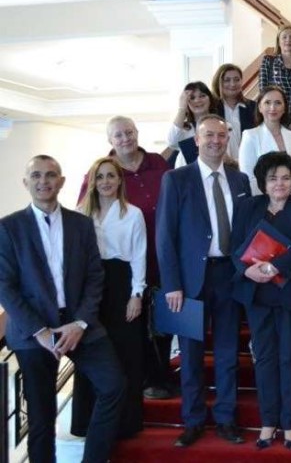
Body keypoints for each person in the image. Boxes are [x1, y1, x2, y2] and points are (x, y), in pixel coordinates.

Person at [0, 155, 125, 463]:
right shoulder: (8, 228)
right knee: (41, 416)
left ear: (62, 181)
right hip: (33, 331)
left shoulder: (80, 223)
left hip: (78, 323)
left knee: (114, 386)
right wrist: (40, 331)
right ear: (26, 182)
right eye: (36, 175)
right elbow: (5, 286)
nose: (44, 181)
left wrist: (80, 323)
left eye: (50, 175)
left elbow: (95, 276)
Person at [156, 114, 251, 447]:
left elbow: (245, 231)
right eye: (208, 135)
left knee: (227, 353)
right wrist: (171, 284)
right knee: (190, 356)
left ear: (227, 140)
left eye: (221, 136)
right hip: (187, 281)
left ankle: (226, 419)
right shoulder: (175, 179)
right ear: (196, 140)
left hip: (229, 276)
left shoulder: (240, 180)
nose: (215, 141)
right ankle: (193, 420)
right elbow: (165, 236)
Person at [77, 116, 173, 399]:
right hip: (117, 269)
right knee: (129, 329)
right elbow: (81, 222)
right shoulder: (102, 171)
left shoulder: (158, 163)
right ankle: (134, 381)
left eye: (129, 132)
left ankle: (159, 377)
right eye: (118, 135)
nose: (125, 139)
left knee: (161, 325)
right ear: (110, 140)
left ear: (137, 133)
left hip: (160, 259)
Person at [231, 152, 291, 450]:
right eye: (272, 178)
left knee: (290, 358)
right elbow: (235, 246)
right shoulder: (248, 207)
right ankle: (268, 421)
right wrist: (247, 270)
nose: (279, 183)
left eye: (285, 178)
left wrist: (273, 267)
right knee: (265, 358)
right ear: (263, 182)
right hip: (258, 295)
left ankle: (290, 423)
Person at [71, 157, 146, 440]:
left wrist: (136, 294)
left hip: (121, 286)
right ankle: (86, 422)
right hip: (89, 289)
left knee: (124, 353)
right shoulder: (80, 214)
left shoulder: (133, 214)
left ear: (119, 180)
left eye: (111, 176)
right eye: (100, 176)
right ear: (92, 182)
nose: (105, 182)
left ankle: (125, 424)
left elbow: (139, 255)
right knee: (90, 355)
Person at [240, 85, 291, 197]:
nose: (273, 107)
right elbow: (248, 177)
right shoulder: (250, 136)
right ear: (260, 107)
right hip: (264, 202)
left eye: (278, 103)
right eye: (267, 102)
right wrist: (272, 202)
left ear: (284, 108)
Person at [211, 63, 258, 157]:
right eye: (227, 80)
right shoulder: (211, 108)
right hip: (219, 160)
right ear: (218, 82)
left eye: (237, 80)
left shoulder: (253, 107)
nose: (232, 84)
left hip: (247, 159)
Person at [167, 81, 216, 166]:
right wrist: (182, 108)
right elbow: (172, 142)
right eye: (192, 98)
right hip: (187, 172)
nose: (197, 100)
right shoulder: (184, 129)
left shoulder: (222, 125)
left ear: (210, 99)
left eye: (202, 96)